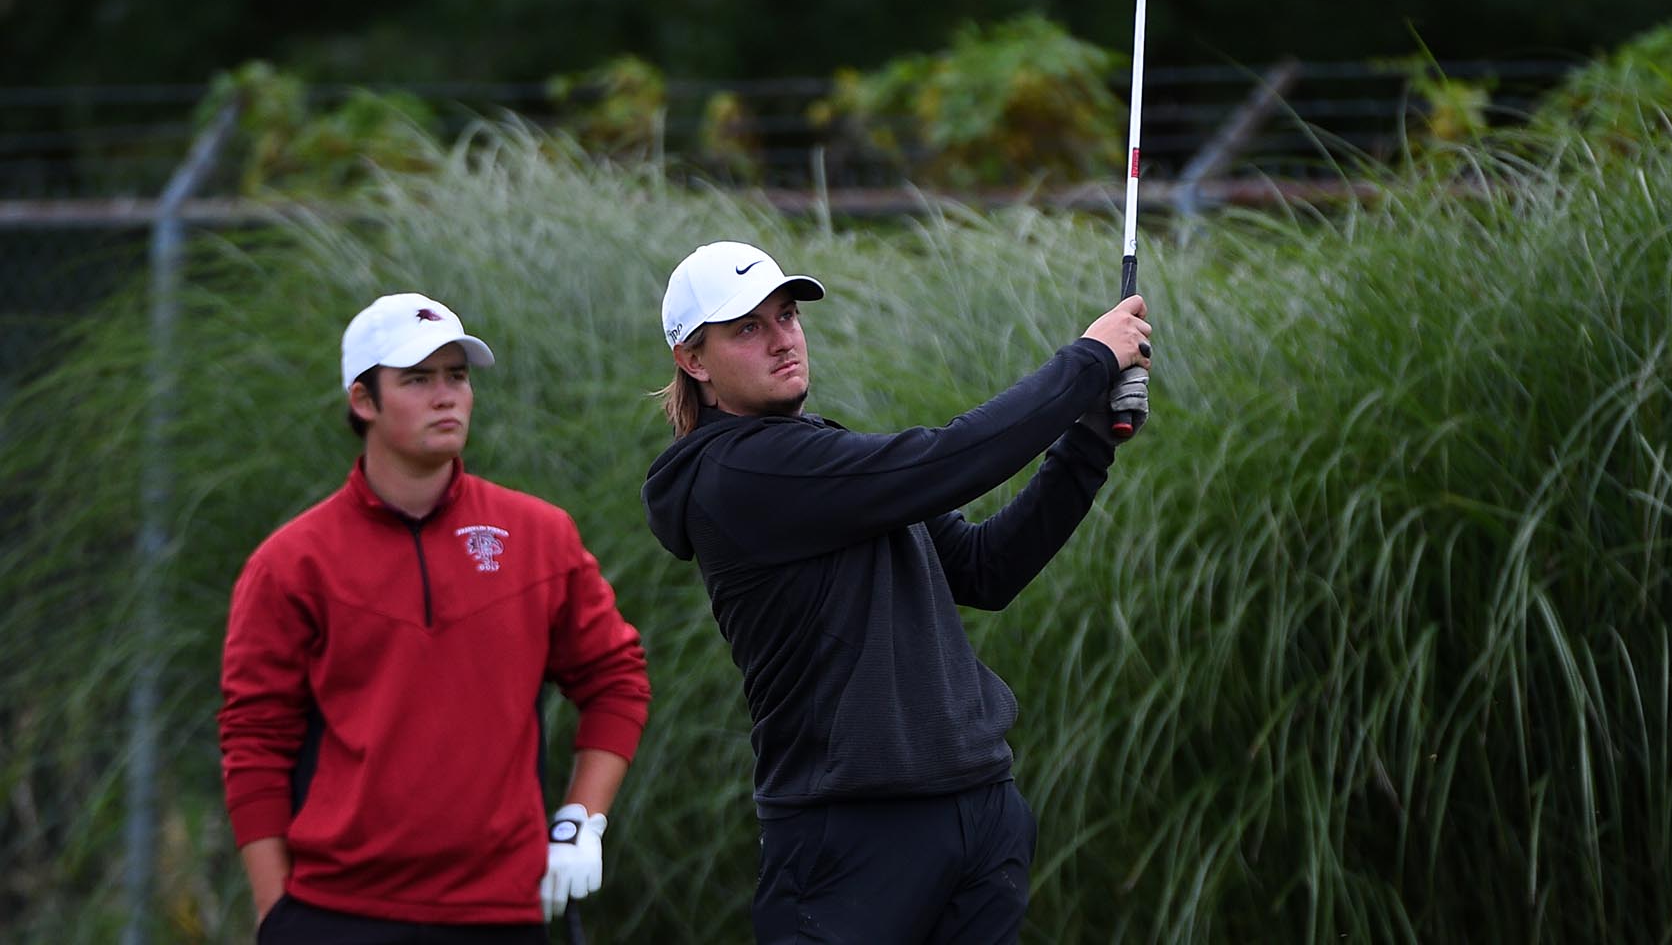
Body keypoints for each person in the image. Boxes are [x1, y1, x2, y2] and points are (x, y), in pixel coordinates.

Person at [642, 241, 1151, 943]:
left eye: (786, 315)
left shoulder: (822, 457)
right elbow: (949, 460)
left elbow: (985, 568)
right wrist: (1090, 360)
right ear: (694, 362)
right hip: (851, 838)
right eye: (747, 328)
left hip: (976, 814)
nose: (782, 339)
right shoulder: (744, 474)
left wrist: (1088, 442)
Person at [219, 292, 653, 943]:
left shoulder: (540, 534)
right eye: (418, 379)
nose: (446, 395)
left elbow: (616, 679)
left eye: (457, 376)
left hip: (502, 914)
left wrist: (578, 820)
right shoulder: (290, 562)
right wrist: (274, 911)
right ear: (363, 401)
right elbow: (254, 738)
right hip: (337, 913)